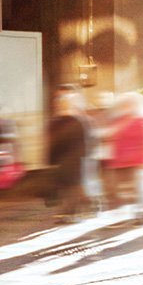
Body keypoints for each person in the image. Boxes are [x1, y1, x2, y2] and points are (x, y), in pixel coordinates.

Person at [102, 93, 143, 215]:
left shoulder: (142, 121)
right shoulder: (117, 121)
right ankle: (117, 214)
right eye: (124, 104)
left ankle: (142, 214)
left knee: (139, 191)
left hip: (137, 162)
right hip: (118, 162)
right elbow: (110, 137)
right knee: (116, 191)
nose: (127, 107)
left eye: (130, 104)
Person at [46, 90, 98, 222]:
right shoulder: (56, 121)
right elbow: (52, 142)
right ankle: (86, 206)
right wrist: (51, 160)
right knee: (70, 186)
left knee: (75, 187)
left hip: (77, 160)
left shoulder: (79, 121)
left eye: (64, 103)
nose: (61, 106)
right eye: (60, 104)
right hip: (63, 161)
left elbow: (87, 142)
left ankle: (70, 213)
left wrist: (84, 158)